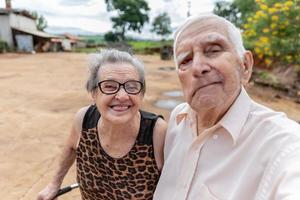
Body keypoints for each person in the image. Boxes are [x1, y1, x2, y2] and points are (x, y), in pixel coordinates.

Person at [154, 14, 300, 200]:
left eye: (213, 50)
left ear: (245, 66)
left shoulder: (284, 145)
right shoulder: (177, 120)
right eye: (185, 60)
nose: (198, 67)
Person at [37, 49, 167, 200]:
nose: (122, 96)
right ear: (93, 93)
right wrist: (54, 183)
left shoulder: (156, 132)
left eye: (132, 87)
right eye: (110, 86)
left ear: (141, 94)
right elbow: (71, 147)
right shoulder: (84, 120)